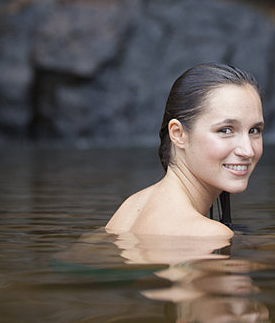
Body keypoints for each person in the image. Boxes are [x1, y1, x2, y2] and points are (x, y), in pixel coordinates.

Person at [106, 63, 264, 239]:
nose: (248, 150)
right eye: (226, 130)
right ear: (178, 134)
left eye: (254, 130)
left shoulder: (133, 206)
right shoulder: (208, 234)